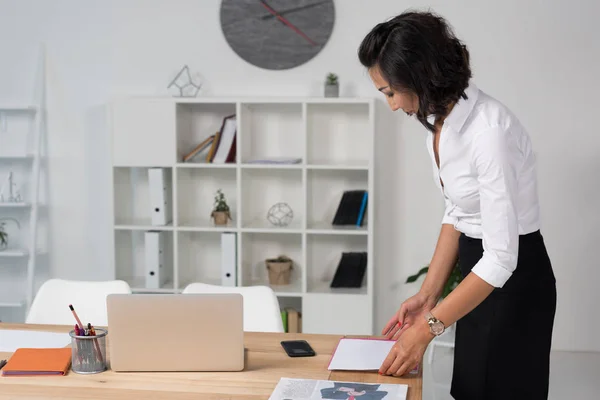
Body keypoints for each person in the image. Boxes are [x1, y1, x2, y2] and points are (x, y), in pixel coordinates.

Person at [357, 10, 557, 400]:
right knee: (468, 390)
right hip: (475, 277)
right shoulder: (439, 123)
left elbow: (501, 259)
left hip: (513, 281)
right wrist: (429, 295)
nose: (392, 106)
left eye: (390, 92)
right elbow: (458, 212)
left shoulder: (490, 133)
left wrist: (429, 327)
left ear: (419, 76)